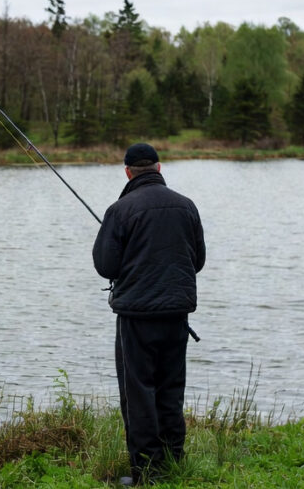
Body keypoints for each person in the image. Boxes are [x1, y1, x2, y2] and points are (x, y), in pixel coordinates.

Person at [93, 143, 206, 485]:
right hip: (177, 315)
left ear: (128, 172)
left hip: (137, 317)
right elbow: (197, 260)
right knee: (171, 388)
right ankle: (173, 460)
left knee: (139, 391)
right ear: (159, 168)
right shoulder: (187, 206)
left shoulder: (120, 210)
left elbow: (105, 265)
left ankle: (147, 472)